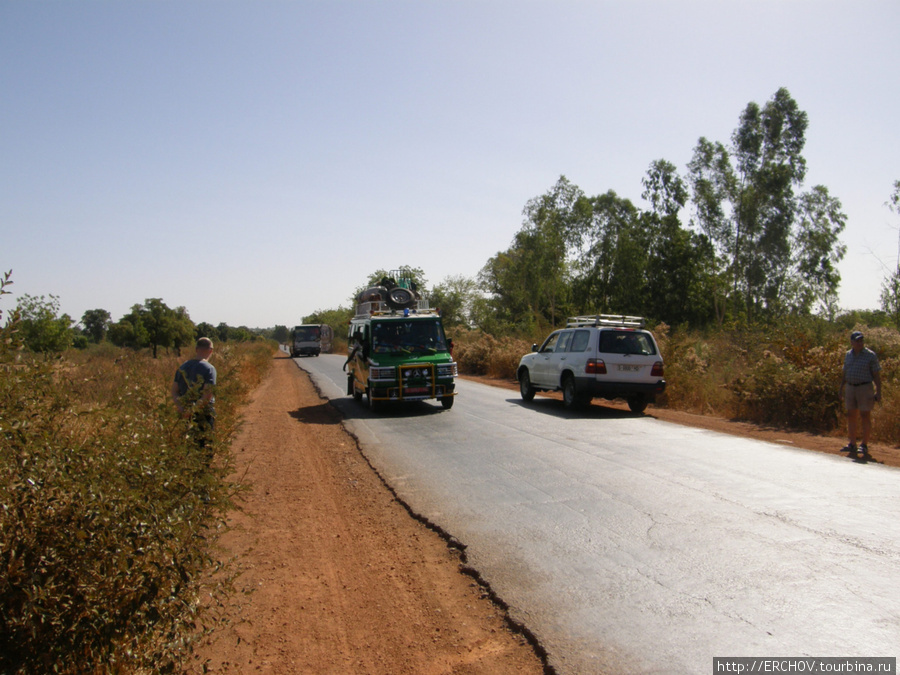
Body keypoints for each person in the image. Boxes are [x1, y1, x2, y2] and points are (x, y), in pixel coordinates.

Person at [840, 331, 882, 458]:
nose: (860, 343)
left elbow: (876, 375)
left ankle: (864, 444)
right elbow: (845, 372)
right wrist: (841, 388)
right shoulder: (848, 355)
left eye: (861, 340)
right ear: (852, 342)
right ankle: (852, 443)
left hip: (865, 387)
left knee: (865, 415)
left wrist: (878, 391)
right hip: (851, 387)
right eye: (857, 340)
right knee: (851, 415)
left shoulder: (870, 355)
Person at [172, 337, 217, 447]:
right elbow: (207, 396)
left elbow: (174, 391)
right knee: (204, 447)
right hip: (204, 414)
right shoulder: (209, 369)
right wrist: (193, 410)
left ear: (196, 349)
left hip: (185, 412)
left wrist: (182, 409)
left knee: (188, 446)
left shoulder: (183, 366)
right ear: (211, 351)